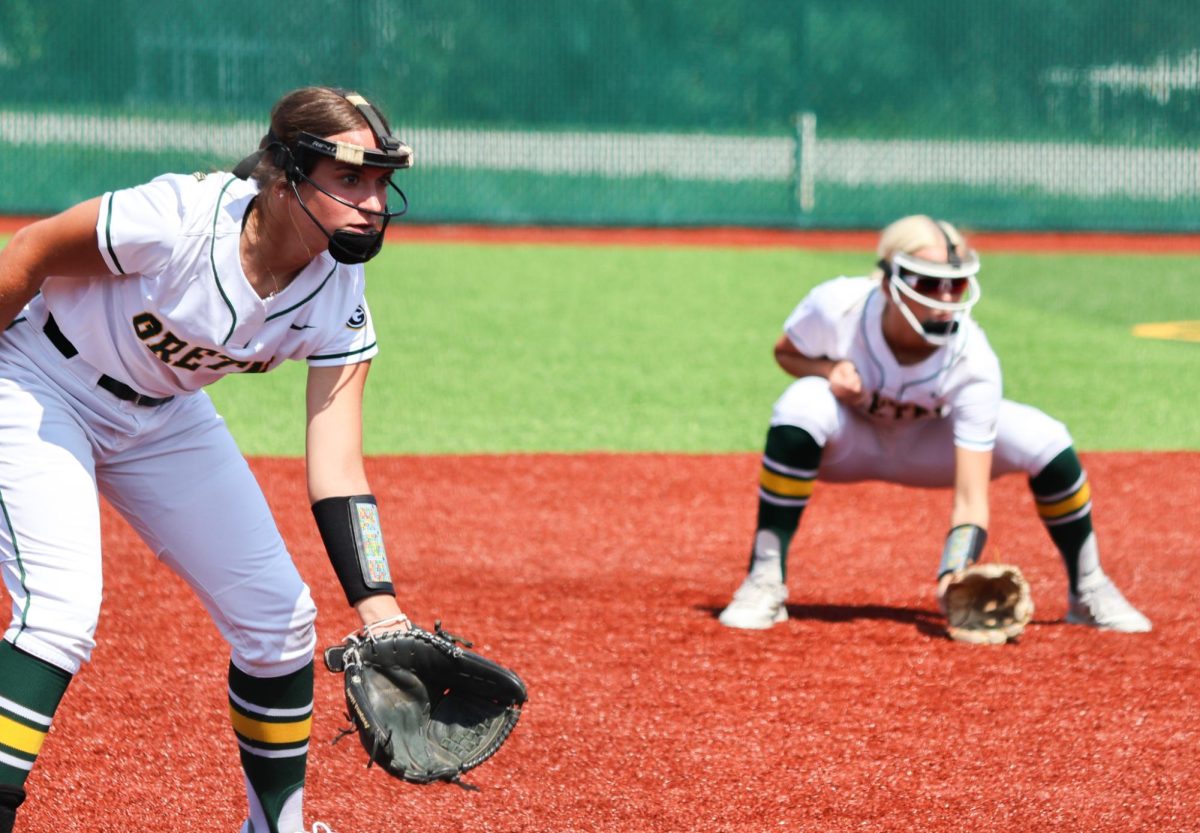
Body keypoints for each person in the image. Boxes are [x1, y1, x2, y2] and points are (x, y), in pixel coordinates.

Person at [0, 86, 416, 833]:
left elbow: (339, 466)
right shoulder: (179, 219)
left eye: (382, 182)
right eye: (350, 178)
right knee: (61, 610)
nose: (372, 202)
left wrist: (380, 608)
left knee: (280, 623)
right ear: (286, 173)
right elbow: (28, 253)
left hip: (163, 417)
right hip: (39, 377)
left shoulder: (338, 287)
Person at [717, 215, 1151, 635]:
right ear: (889, 283)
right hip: (848, 440)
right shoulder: (839, 305)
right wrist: (825, 369)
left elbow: (970, 497)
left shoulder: (972, 358)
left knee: (1046, 438)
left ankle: (1088, 587)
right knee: (802, 403)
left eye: (956, 284)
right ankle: (765, 577)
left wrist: (953, 575)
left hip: (927, 451)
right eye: (927, 283)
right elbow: (785, 352)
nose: (945, 301)